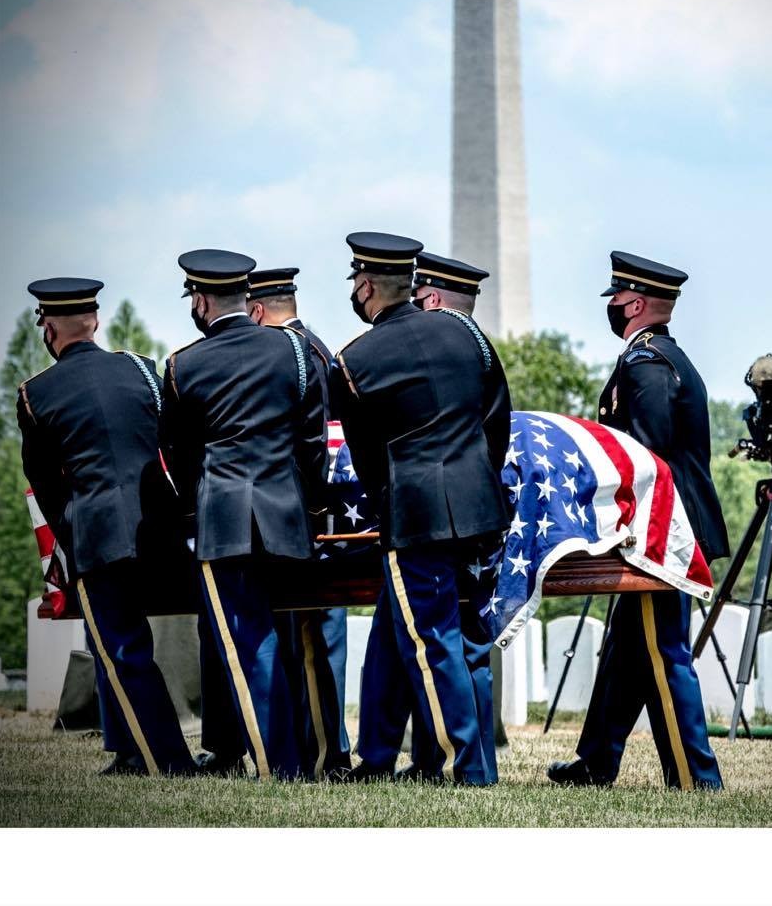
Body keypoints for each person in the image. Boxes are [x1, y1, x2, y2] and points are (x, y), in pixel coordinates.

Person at [330, 233, 511, 785]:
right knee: (397, 631)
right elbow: (496, 417)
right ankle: (378, 757)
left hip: (416, 516)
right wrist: (475, 478)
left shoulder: (354, 360)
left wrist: (394, 503)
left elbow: (366, 457)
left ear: (365, 286)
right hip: (480, 509)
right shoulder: (466, 333)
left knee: (433, 640)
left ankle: (467, 769)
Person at [547, 251, 726, 791]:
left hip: (661, 527)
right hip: (665, 524)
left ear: (639, 303)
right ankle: (596, 762)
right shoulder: (662, 357)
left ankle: (696, 778)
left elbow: (646, 456)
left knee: (662, 650)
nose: (613, 308)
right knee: (629, 648)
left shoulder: (645, 364)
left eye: (618, 300)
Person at [159, 249, 327, 781]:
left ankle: (282, 764)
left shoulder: (183, 365)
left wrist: (200, 501)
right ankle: (316, 752)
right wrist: (310, 500)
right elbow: (313, 437)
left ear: (201, 301)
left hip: (224, 518)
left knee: (245, 642)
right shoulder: (294, 352)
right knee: (294, 638)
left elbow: (179, 455)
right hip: (286, 515)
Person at [17, 278, 194, 777]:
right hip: (158, 526)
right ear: (94, 322)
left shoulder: (36, 393)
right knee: (118, 646)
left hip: (97, 535)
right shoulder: (140, 367)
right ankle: (130, 750)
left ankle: (166, 760)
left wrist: (71, 534)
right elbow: (170, 446)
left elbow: (45, 484)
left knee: (121, 649)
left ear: (48, 329)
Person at [248, 265, 352, 779]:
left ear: (257, 310)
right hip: (326, 511)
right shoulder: (321, 349)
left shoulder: (287, 355)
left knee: (308, 639)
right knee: (319, 640)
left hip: (305, 512)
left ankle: (322, 754)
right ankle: (329, 749)